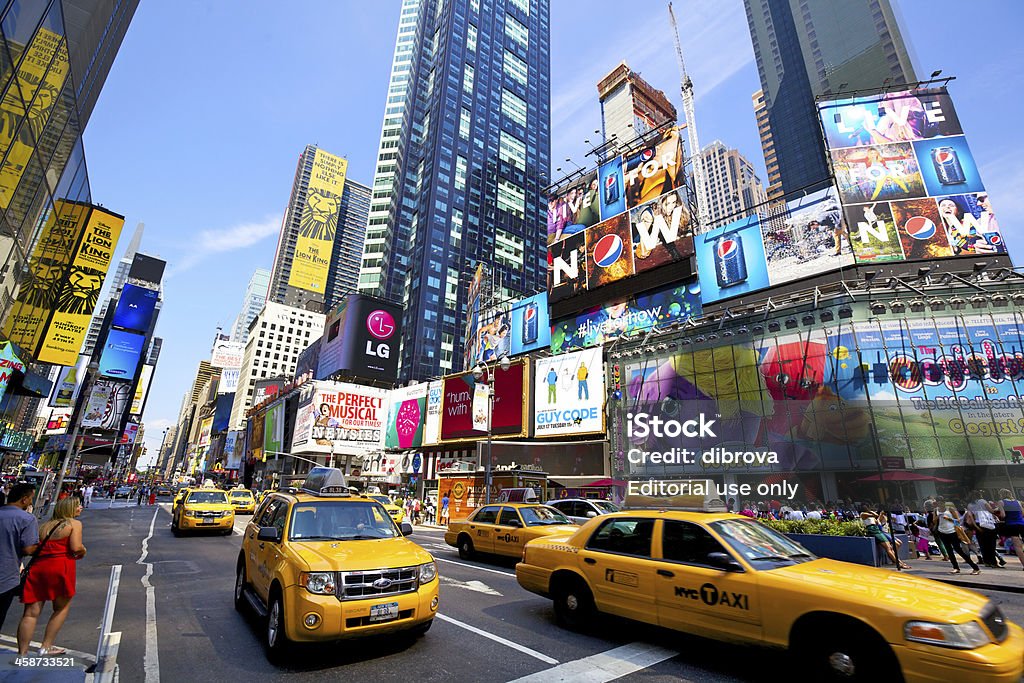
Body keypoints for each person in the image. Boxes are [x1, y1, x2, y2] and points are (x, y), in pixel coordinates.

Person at [17, 497, 86, 655]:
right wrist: (83, 550)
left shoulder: (45, 526)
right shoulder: (74, 524)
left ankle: (22, 653)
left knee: (30, 613)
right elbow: (76, 547)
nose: (80, 508)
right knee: (61, 608)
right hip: (61, 567)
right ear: (69, 508)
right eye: (78, 506)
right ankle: (46, 646)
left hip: (39, 567)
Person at [0, 484, 38, 632]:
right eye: (30, 499)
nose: (31, 502)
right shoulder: (27, 519)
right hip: (6, 576)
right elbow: (28, 548)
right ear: (24, 499)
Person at [936, 502, 980, 575]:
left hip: (952, 532)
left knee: (958, 550)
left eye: (941, 503)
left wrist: (949, 519)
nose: (940, 505)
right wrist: (937, 517)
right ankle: (956, 568)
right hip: (942, 532)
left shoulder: (950, 509)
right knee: (949, 551)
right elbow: (935, 521)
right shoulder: (936, 510)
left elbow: (957, 521)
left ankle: (975, 568)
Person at [967, 493, 1001, 568]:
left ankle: (986, 562)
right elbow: (991, 511)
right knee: (991, 544)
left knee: (983, 544)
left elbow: (971, 517)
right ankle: (993, 562)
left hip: (978, 525)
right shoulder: (983, 501)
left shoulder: (969, 505)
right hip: (988, 524)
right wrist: (998, 508)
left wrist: (976, 526)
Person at [995, 489, 1024, 569]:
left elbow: (1003, 515)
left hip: (1012, 525)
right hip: (1022, 524)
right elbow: (1022, 513)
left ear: (1001, 495)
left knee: (1018, 546)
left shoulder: (1001, 502)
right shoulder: (1018, 502)